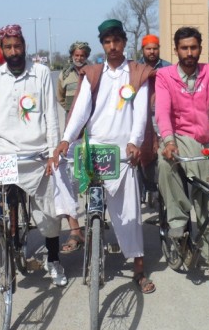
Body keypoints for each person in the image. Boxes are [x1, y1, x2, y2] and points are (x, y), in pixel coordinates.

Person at [53, 19, 156, 294]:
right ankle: (76, 227)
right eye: (107, 42)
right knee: (59, 165)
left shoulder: (138, 72)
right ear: (102, 44)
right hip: (94, 147)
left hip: (123, 152)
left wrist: (135, 142)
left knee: (130, 214)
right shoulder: (93, 73)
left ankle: (138, 268)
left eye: (117, 41)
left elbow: (141, 114)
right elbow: (80, 112)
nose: (112, 46)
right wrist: (66, 139)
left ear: (124, 42)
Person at [0, 24, 67, 286]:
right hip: (3, 150)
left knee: (49, 213)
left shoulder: (40, 73)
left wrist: (52, 153)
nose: (13, 51)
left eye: (18, 46)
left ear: (24, 47)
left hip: (35, 153)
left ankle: (54, 259)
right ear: (2, 49)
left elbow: (51, 116)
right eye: (8, 47)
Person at [155, 26, 209, 264]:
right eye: (184, 48)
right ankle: (178, 221)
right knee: (165, 163)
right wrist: (168, 140)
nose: (189, 52)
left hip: (202, 140)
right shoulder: (164, 76)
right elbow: (162, 111)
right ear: (176, 50)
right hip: (177, 138)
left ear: (200, 49)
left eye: (194, 47)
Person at [54, 41, 91, 253]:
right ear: (72, 55)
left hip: (90, 132)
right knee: (68, 177)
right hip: (71, 134)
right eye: (76, 54)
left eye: (83, 54)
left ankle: (94, 217)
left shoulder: (93, 72)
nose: (79, 57)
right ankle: (75, 227)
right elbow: (60, 98)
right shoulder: (65, 75)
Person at [137, 34, 171, 206]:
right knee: (140, 155)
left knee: (161, 154)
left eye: (155, 48)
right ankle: (143, 191)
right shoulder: (135, 68)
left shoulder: (168, 68)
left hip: (162, 118)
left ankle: (161, 192)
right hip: (141, 119)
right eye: (148, 48)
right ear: (142, 50)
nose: (152, 51)